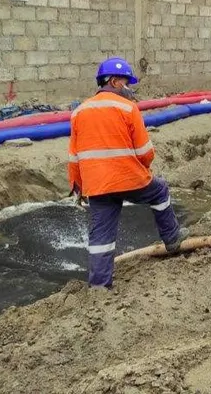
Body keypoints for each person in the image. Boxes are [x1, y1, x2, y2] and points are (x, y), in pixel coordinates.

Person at [68, 57, 189, 290]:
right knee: (160, 191)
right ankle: (173, 240)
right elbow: (145, 152)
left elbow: (74, 157)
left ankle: (100, 287)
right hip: (129, 178)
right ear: (114, 81)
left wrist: (79, 186)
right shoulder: (127, 108)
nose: (129, 88)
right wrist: (144, 168)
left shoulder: (79, 112)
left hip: (98, 184)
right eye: (126, 82)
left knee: (101, 236)